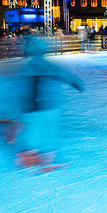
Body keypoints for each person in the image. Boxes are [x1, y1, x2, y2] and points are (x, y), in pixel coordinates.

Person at [15, 35, 84, 172]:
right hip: (46, 106)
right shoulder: (45, 65)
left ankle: (29, 154)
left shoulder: (27, 67)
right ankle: (46, 157)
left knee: (33, 130)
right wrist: (76, 83)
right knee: (50, 129)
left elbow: (19, 88)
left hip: (29, 107)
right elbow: (63, 74)